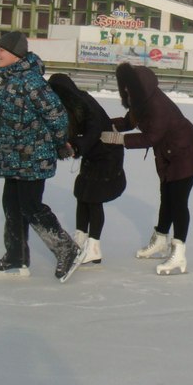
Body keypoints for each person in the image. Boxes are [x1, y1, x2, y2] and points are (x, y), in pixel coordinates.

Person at [0, 31, 84, 282]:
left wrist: (60, 143)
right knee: (11, 205)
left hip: (33, 157)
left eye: (1, 50)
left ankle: (67, 249)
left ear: (15, 54)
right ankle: (16, 256)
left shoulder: (32, 82)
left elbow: (58, 116)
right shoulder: (10, 80)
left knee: (31, 206)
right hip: (12, 157)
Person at [101, 62, 193, 275]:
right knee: (166, 198)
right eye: (124, 87)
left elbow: (150, 137)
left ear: (140, 86)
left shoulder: (157, 106)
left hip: (185, 154)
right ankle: (160, 240)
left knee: (177, 202)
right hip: (169, 155)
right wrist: (102, 123)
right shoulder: (139, 101)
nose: (126, 91)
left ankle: (179, 253)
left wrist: (116, 139)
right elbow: (128, 122)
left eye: (129, 87)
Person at [48, 73, 127, 266]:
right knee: (82, 195)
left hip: (108, 154)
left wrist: (76, 147)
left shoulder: (84, 103)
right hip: (94, 154)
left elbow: (93, 130)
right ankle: (80, 239)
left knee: (93, 198)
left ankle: (94, 247)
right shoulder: (71, 106)